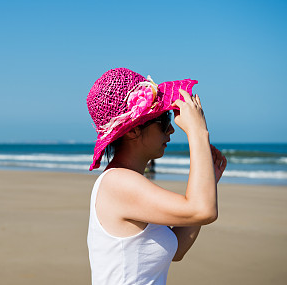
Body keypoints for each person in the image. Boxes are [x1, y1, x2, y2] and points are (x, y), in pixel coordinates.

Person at [86, 68, 227, 285]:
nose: (170, 129)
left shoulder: (125, 181)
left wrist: (209, 180)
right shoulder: (118, 183)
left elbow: (176, 249)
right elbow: (203, 210)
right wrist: (197, 132)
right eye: (162, 120)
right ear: (133, 130)